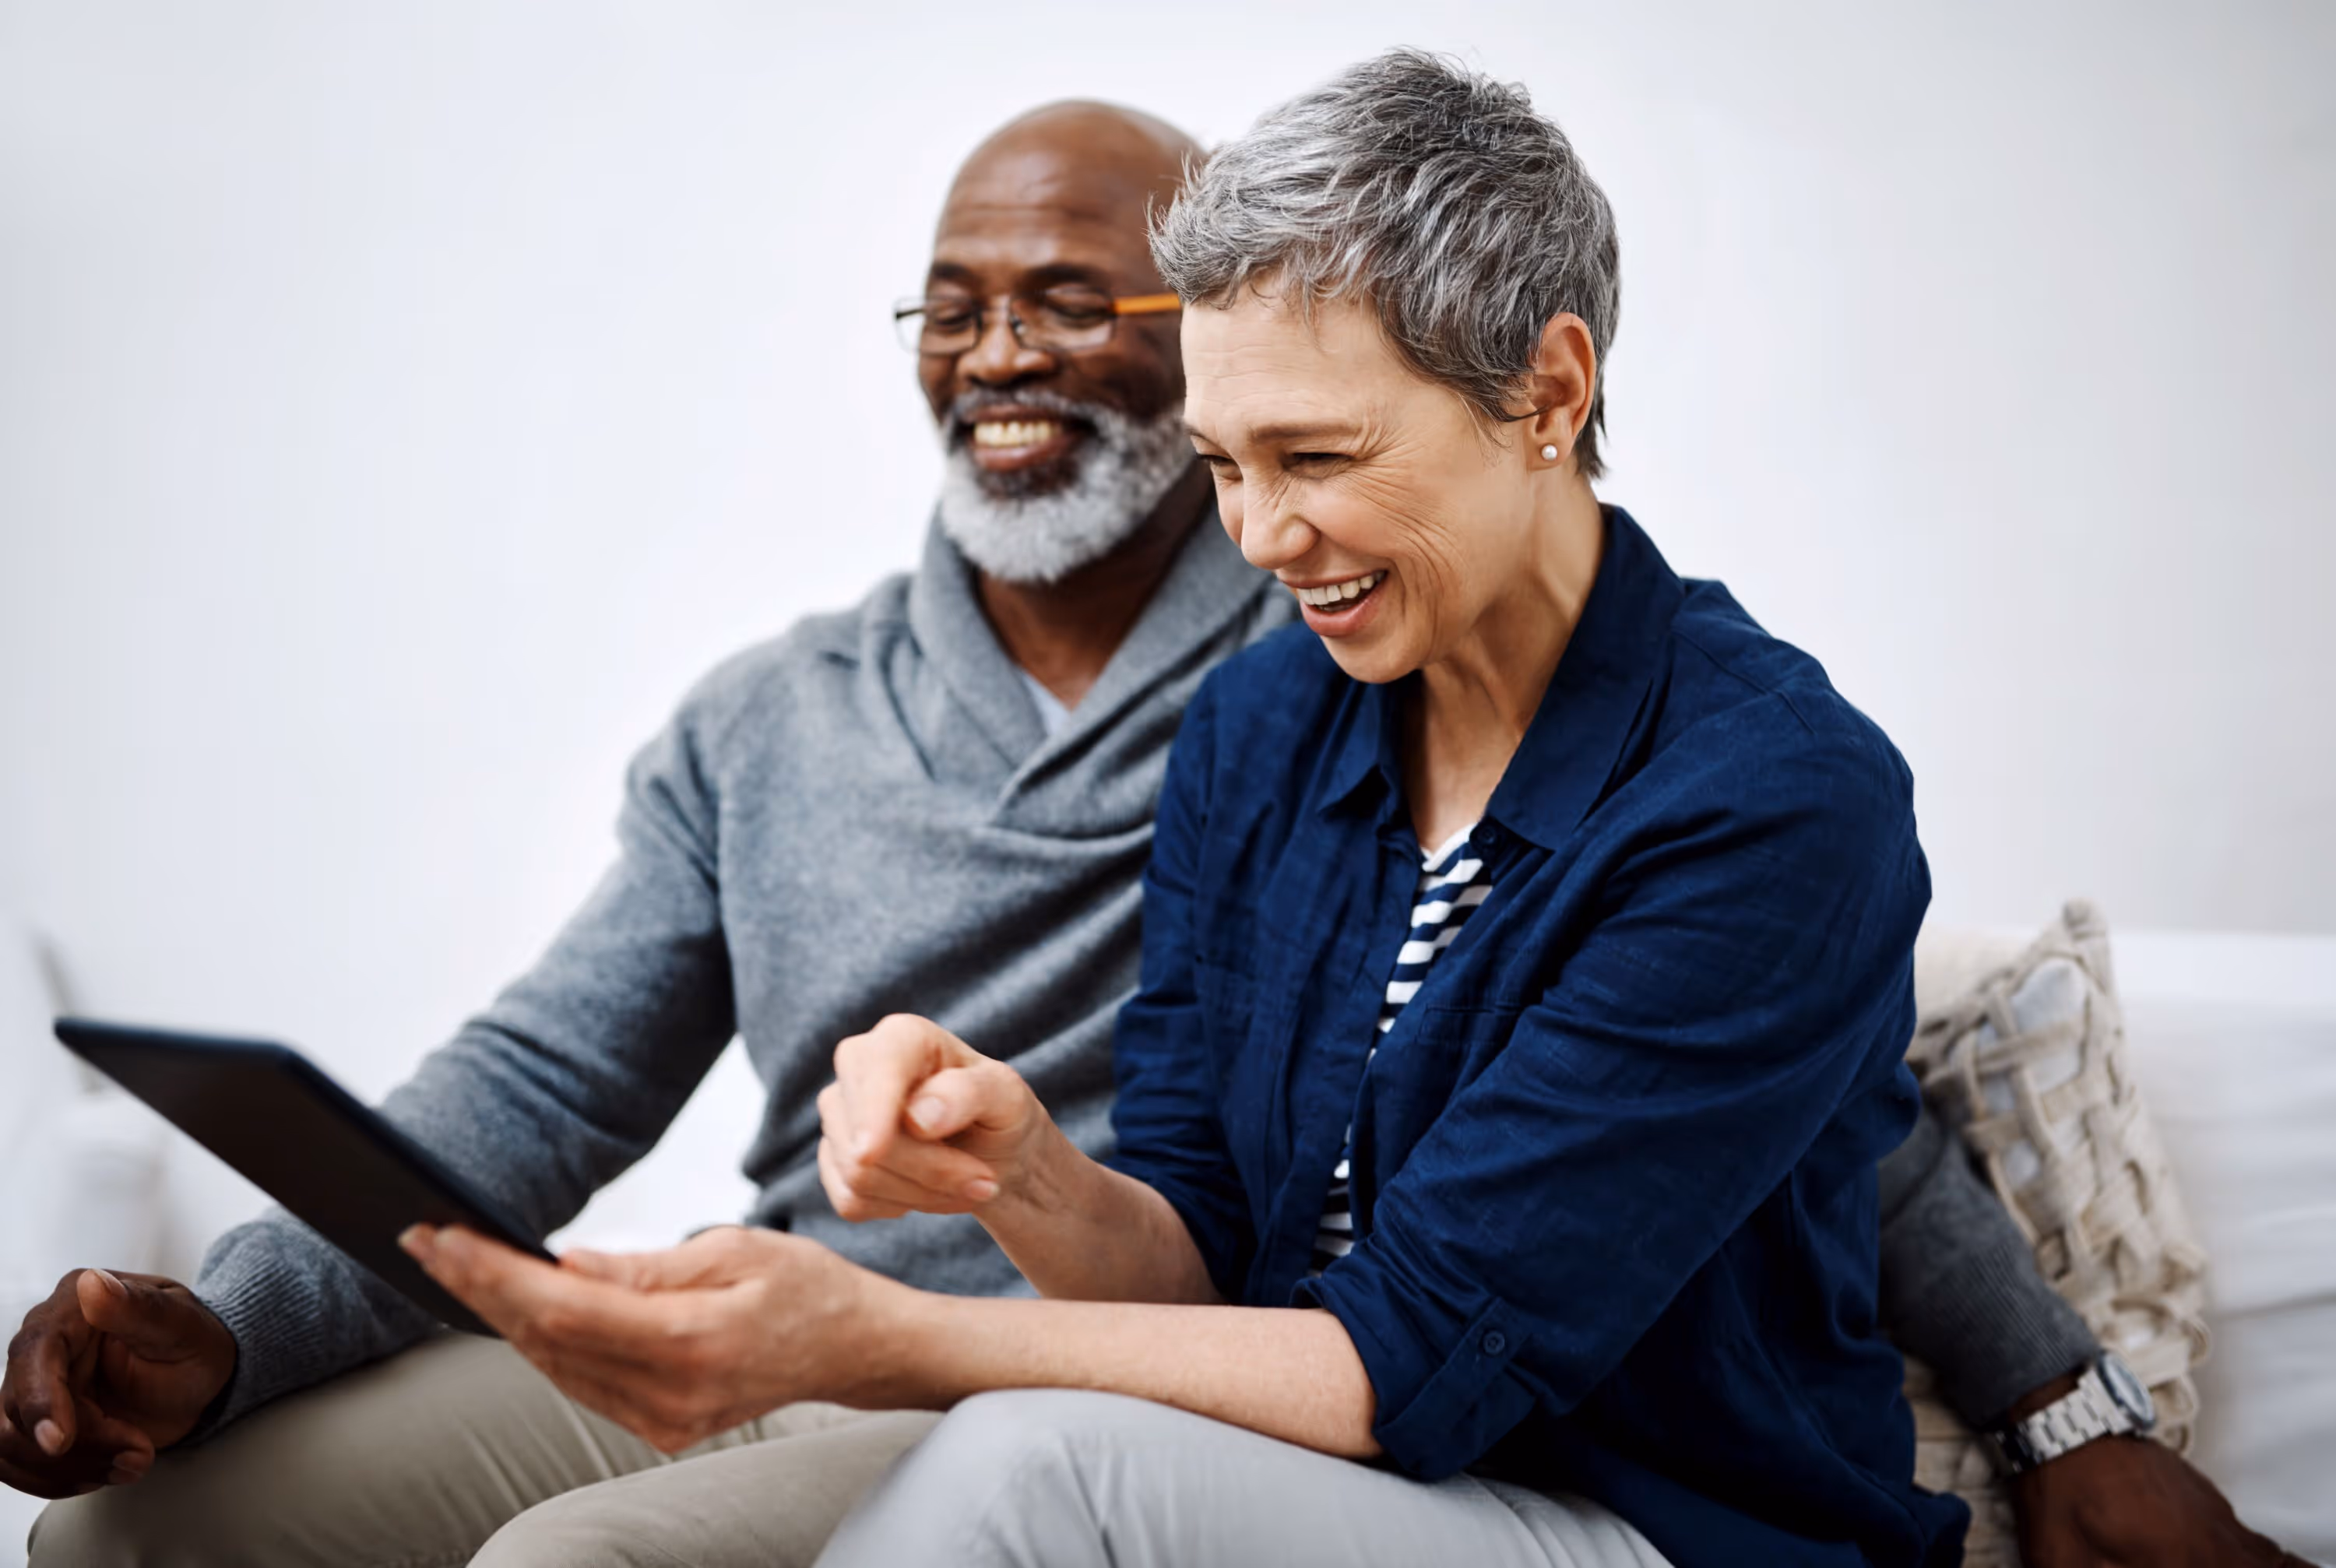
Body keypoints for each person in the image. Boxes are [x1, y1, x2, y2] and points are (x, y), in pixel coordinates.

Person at [5, 76, 2303, 1568]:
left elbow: (1738, 1137)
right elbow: (1175, 1223)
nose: (1265, 530)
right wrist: (1018, 1167)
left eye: (1310, 454)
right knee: (132, 1535)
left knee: (767, 1528)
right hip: (956, 1363)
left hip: (1449, 1465)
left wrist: (2067, 1397)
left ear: (1549, 393)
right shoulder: (1258, 726)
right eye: (1233, 465)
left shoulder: (1692, 761)